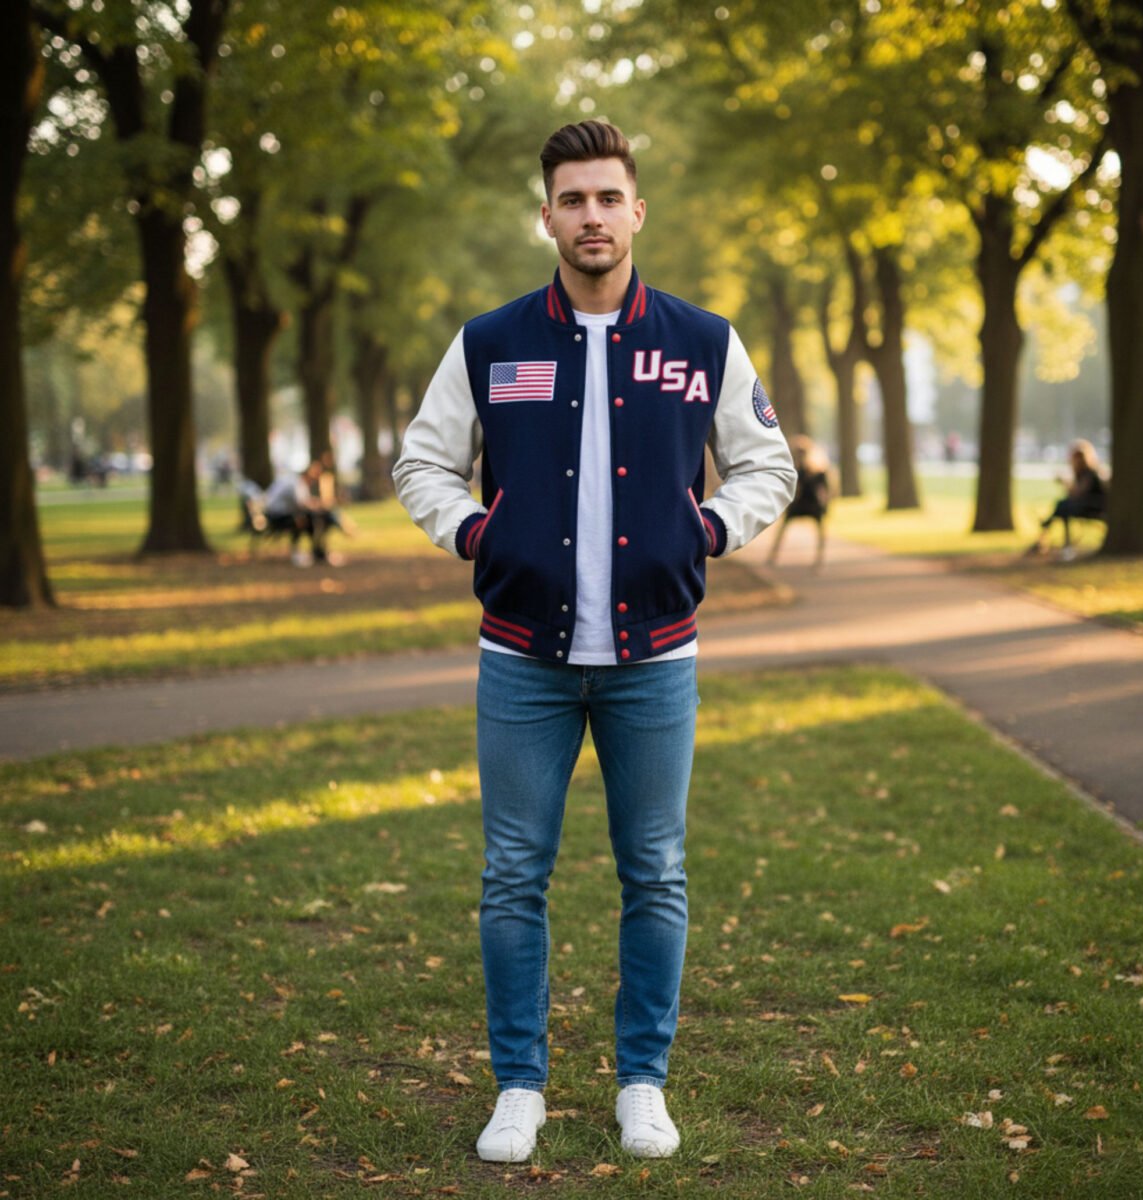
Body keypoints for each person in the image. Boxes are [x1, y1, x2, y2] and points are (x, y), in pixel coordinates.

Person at [394, 121, 796, 1164]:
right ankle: (519, 1086)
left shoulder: (703, 341)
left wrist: (706, 529)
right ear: (547, 217)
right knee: (511, 875)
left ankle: (642, 1083)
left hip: (654, 659)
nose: (591, 217)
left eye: (608, 198)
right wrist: (477, 533)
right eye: (572, 200)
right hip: (520, 657)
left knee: (654, 873)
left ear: (636, 211)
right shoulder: (490, 342)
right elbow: (422, 466)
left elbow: (769, 466)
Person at [1028, 439, 1106, 560]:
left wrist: (1065, 482)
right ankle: (1056, 539)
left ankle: (1048, 533)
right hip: (1084, 506)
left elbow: (1078, 493)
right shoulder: (1081, 473)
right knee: (1063, 506)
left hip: (1093, 507)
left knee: (1062, 506)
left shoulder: (1090, 473)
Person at [766, 435, 832, 567]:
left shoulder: (817, 470)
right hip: (798, 504)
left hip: (812, 504)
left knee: (820, 532)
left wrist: (826, 505)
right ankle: (773, 556)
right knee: (783, 529)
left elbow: (825, 489)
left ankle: (819, 560)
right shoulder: (794, 469)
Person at [262, 460, 335, 566]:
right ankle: (301, 553)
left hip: (280, 514)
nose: (314, 480)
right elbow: (302, 504)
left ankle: (318, 551)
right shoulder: (296, 484)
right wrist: (320, 504)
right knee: (303, 521)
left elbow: (304, 502)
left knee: (316, 520)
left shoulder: (297, 482)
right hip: (275, 516)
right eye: (314, 477)